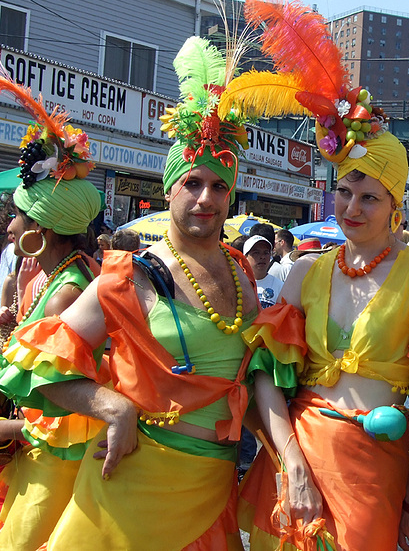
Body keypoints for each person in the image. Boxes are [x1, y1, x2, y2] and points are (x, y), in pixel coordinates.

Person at [219, 0, 409, 550]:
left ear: (395, 205)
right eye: (344, 192)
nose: (352, 208)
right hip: (298, 463)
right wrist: (291, 464)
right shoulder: (304, 271)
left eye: (370, 197)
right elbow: (265, 374)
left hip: (374, 469)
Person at [0, 36, 259, 549]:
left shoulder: (242, 275)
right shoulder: (127, 277)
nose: (206, 198)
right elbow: (32, 369)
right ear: (169, 189)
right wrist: (111, 406)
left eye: (219, 187)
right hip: (126, 490)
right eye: (192, 183)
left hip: (209, 496)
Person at [0, 75, 104, 550]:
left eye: (17, 214)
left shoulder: (66, 290)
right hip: (42, 447)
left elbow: (65, 393)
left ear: (40, 229)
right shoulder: (62, 273)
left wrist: (12, 428)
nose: (9, 222)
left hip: (53, 456)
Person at [244, 234, 283, 309]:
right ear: (245, 257)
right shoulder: (238, 284)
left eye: (266, 253)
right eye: (256, 253)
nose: (262, 257)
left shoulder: (279, 286)